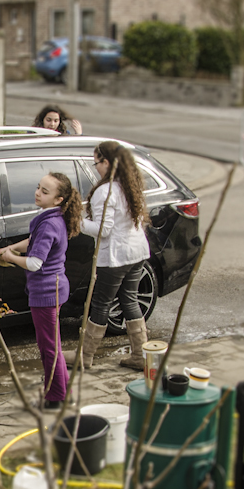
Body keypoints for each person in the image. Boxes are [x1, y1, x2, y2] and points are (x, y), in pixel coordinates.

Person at [0, 173, 82, 408]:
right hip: (54, 288)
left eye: (45, 191)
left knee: (48, 348)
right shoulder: (52, 217)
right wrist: (11, 247)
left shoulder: (49, 223)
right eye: (38, 187)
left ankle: (56, 397)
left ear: (58, 199)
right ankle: (62, 388)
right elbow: (33, 241)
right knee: (53, 344)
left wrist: (10, 257)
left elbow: (34, 263)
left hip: (46, 293)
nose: (37, 193)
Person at [64, 140, 150, 371]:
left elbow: (104, 229)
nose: (96, 168)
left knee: (100, 303)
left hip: (115, 256)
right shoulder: (130, 185)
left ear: (108, 162)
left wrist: (77, 222)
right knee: (129, 299)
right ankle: (140, 355)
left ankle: (85, 356)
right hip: (136, 251)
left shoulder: (106, 190)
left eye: (97, 163)